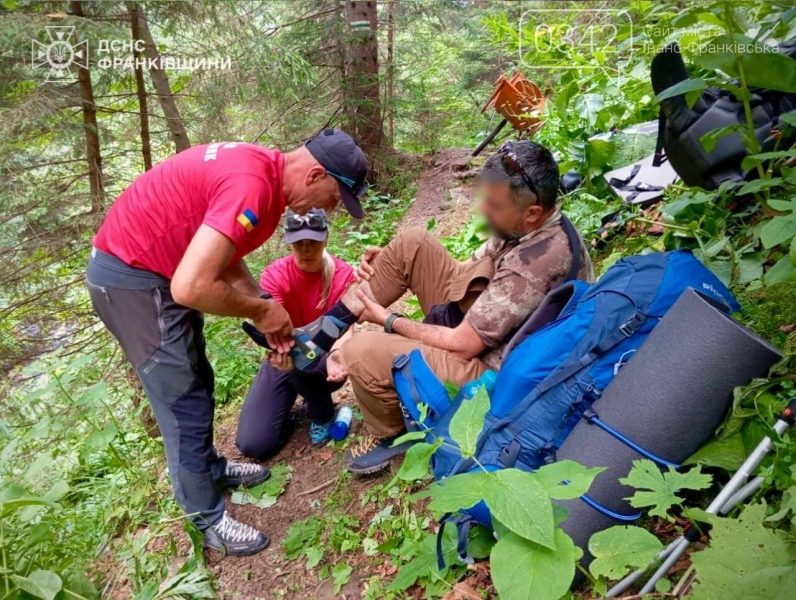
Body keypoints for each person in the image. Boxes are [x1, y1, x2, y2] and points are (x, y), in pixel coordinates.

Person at [85, 129, 367, 555]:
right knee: (181, 399)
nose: (331, 210)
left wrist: (262, 303)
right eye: (333, 198)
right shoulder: (253, 187)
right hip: (133, 279)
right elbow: (192, 285)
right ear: (314, 174)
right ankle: (207, 518)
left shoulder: (263, 175)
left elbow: (224, 255)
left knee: (197, 376)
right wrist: (260, 310)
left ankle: (211, 469)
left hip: (154, 272)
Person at [335, 140, 594, 474]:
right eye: (485, 198)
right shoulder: (523, 227)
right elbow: (467, 269)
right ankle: (332, 325)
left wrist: (388, 320)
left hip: (496, 373)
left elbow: (465, 343)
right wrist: (390, 258)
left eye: (494, 204)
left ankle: (391, 435)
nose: (483, 209)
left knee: (362, 350)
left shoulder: (537, 261)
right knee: (414, 243)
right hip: (491, 328)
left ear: (531, 212)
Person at [236, 209, 355, 458]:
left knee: (311, 363)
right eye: (298, 243)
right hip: (287, 355)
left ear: (326, 238)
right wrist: (277, 350)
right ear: (288, 242)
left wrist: (337, 353)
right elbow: (272, 328)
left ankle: (321, 412)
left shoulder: (343, 275)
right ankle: (291, 396)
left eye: (313, 241)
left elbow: (348, 326)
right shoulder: (275, 275)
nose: (306, 250)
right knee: (253, 444)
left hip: (324, 358)